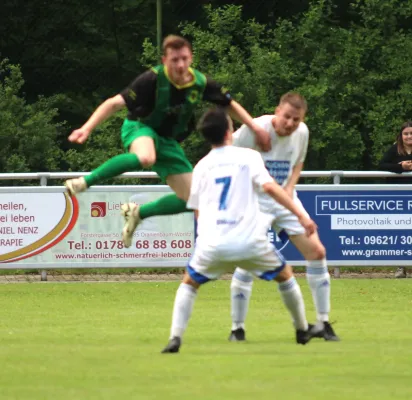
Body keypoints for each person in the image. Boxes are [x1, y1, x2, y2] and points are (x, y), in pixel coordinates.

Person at [64, 35, 271, 248]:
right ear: (164, 60)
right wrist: (86, 128)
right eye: (174, 60)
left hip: (168, 141)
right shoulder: (150, 80)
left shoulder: (201, 82)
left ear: (191, 58)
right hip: (140, 128)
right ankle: (85, 182)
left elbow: (228, 104)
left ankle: (138, 212)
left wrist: (255, 127)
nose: (180, 65)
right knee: (145, 157)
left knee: (196, 199)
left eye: (184, 58)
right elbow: (114, 103)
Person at [161, 107, 318, 354]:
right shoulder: (249, 157)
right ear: (228, 131)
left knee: (189, 283)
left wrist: (205, 240)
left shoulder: (201, 166)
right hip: (249, 241)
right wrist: (300, 215)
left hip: (213, 243)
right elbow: (271, 188)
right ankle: (301, 329)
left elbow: (197, 209)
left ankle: (175, 338)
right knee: (285, 275)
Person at [228, 92, 340, 342]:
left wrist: (289, 188)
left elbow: (298, 163)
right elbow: (224, 156)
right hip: (255, 201)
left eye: (296, 119)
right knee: (248, 262)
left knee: (317, 252)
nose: (290, 124)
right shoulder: (253, 131)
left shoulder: (302, 132)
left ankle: (323, 323)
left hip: (286, 199)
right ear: (277, 111)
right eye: (287, 117)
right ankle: (237, 329)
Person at [378, 121, 412, 279]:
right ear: (401, 136)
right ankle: (401, 266)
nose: (409, 136)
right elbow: (381, 165)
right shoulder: (395, 149)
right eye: (406, 134)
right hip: (397, 197)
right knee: (400, 230)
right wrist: (401, 167)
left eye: (411, 133)